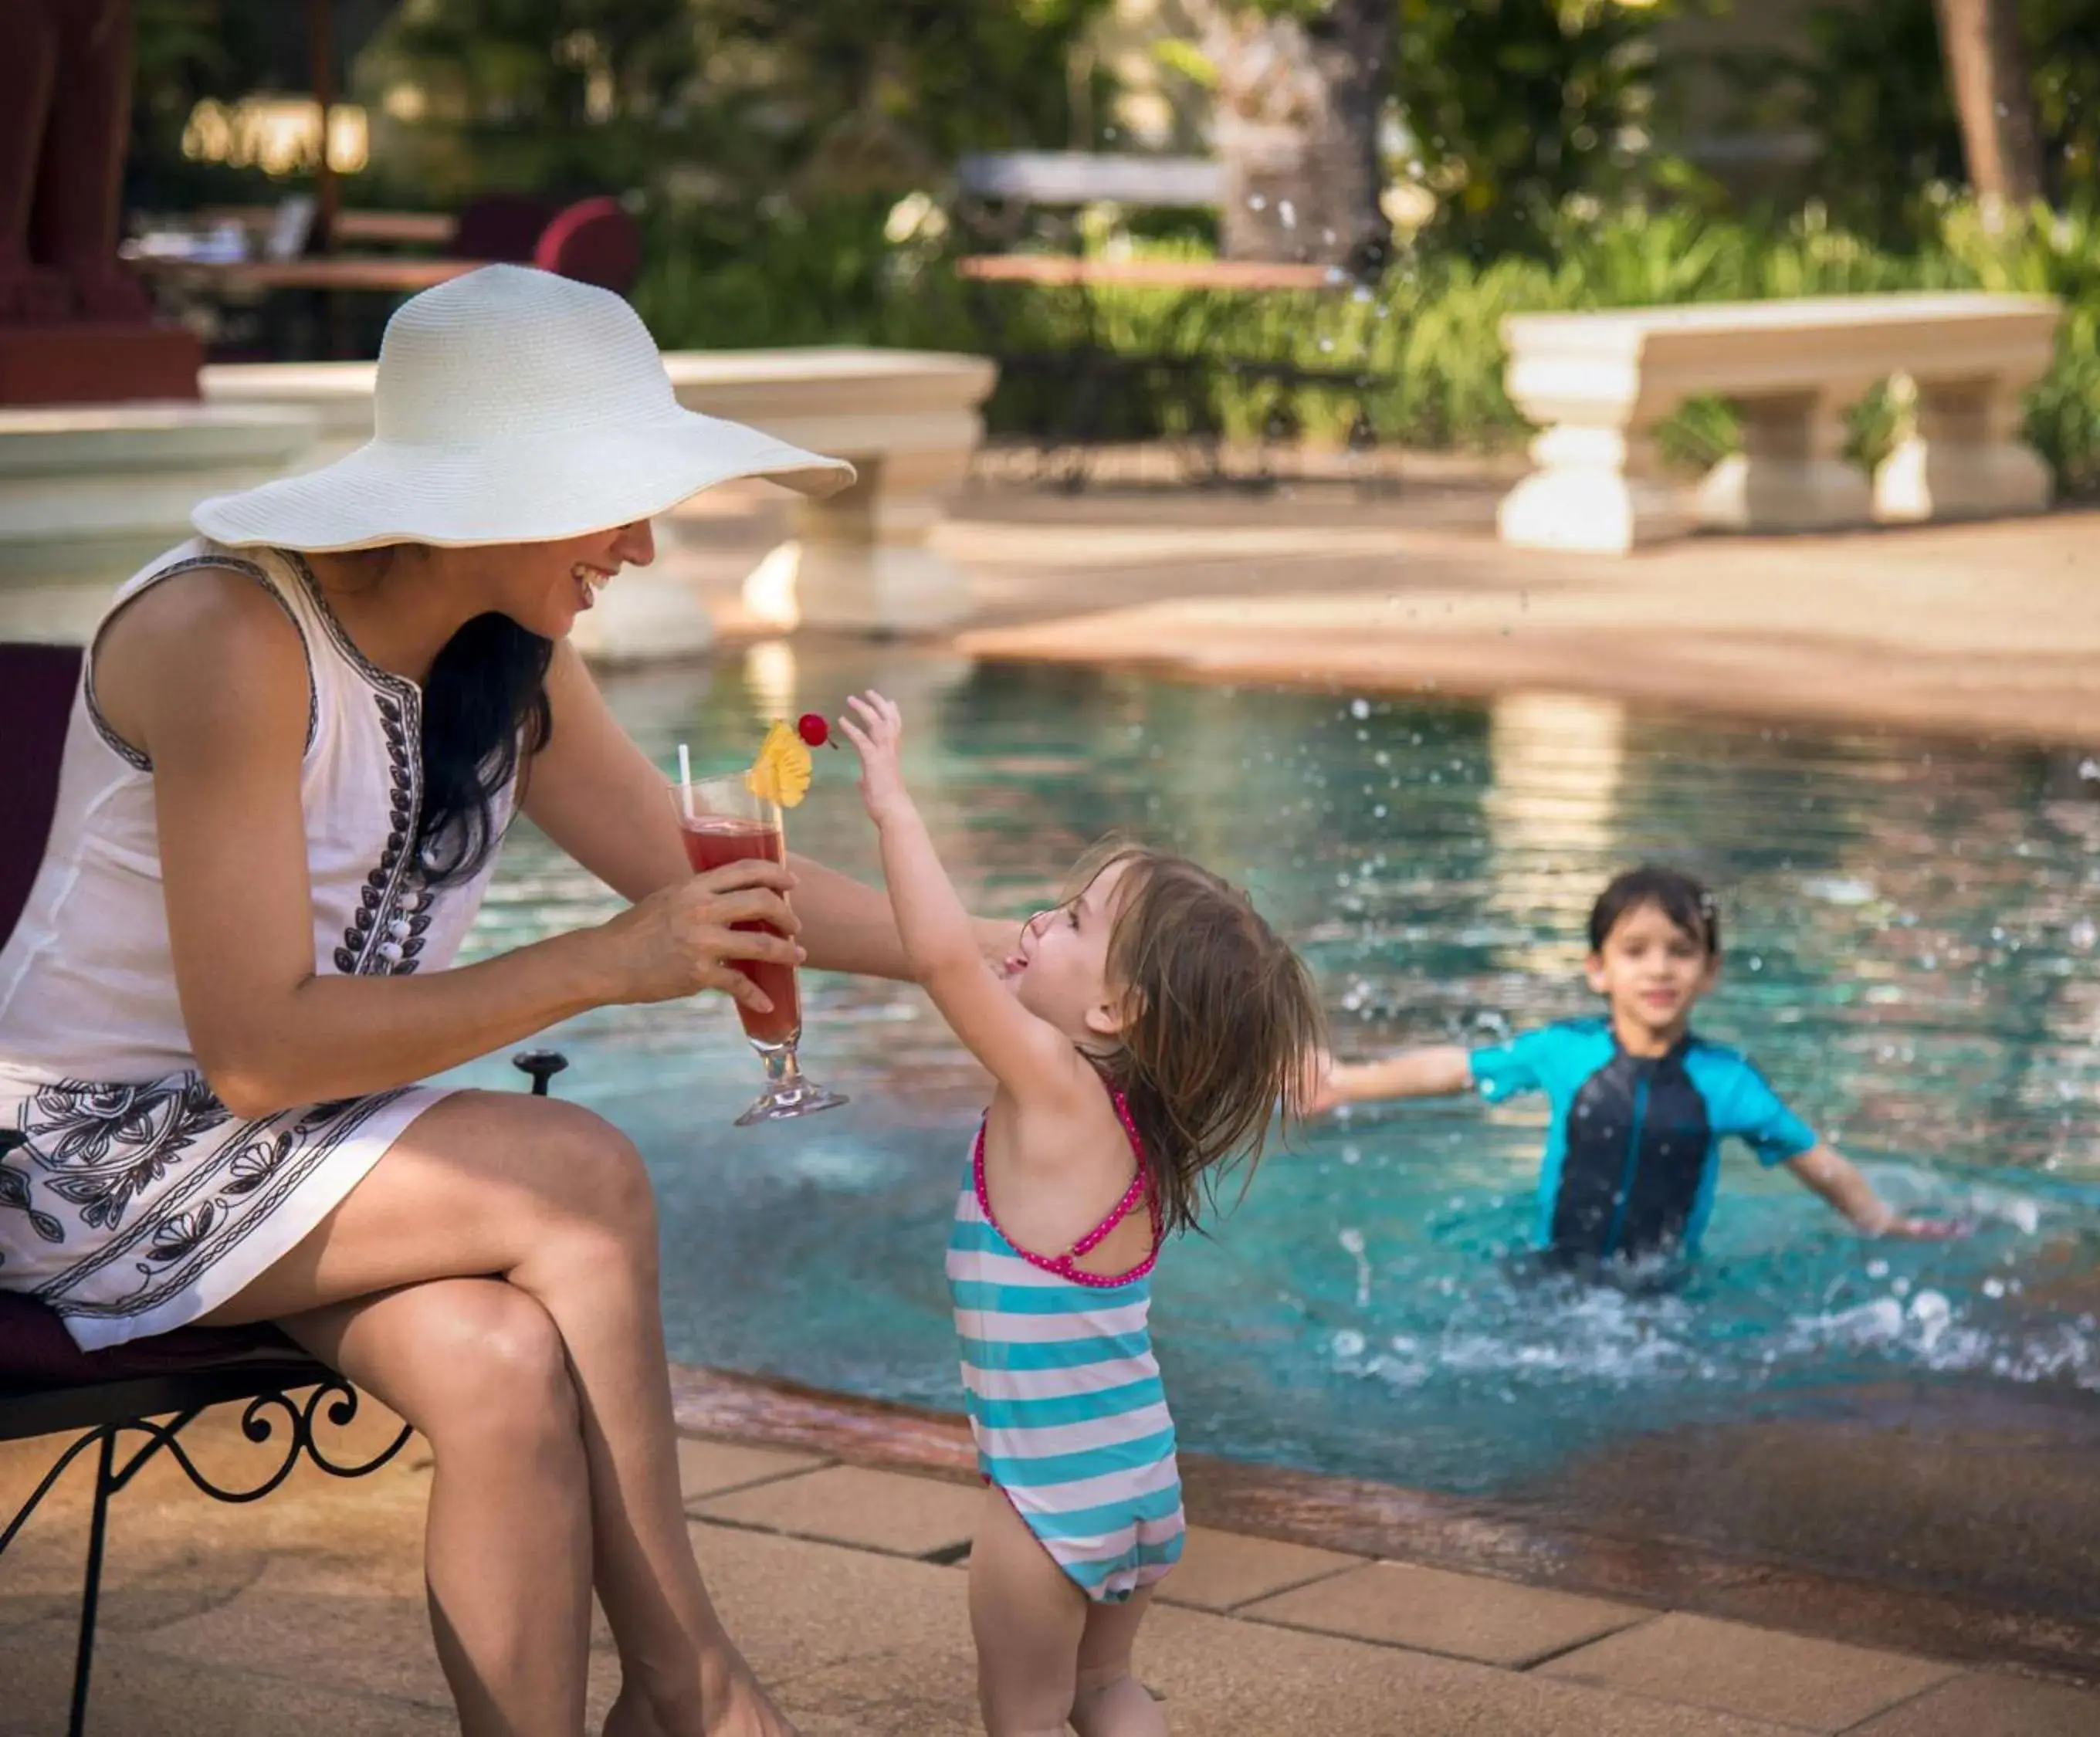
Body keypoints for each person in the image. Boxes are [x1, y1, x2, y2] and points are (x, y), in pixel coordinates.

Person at [0, 266, 981, 1737]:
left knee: (502, 1366)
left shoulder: (510, 659)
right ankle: (694, 1694)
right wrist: (602, 961)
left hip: (317, 1149)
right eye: (614, 499)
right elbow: (258, 1050)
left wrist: (996, 951)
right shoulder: (231, 640)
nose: (643, 544)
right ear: (493, 491)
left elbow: (693, 863)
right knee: (576, 1169)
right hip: (86, 1152)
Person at [836, 691, 1323, 1737]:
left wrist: (893, 807)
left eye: (1069, 922)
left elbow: (938, 960)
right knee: (1106, 1691)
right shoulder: (1143, 1131)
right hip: (1140, 1472)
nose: (1035, 923)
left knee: (1020, 1712)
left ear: (1113, 1010)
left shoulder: (1052, 1084)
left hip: (1044, 1494)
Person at [1306, 865, 1962, 1276]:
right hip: (1546, 1274)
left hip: (1662, 1290)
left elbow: (1815, 1159)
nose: (1658, 969)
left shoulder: (1725, 1082)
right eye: (1636, 951)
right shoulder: (1567, 1051)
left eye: (1681, 952)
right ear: (1599, 969)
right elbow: (1458, 1069)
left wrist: (1880, 1221)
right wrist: (1346, 1082)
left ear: (1709, 972)